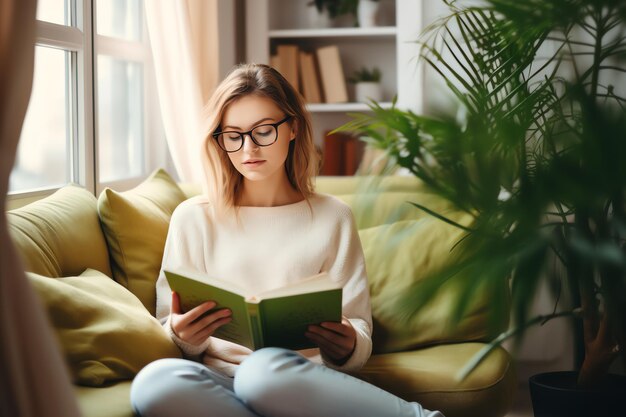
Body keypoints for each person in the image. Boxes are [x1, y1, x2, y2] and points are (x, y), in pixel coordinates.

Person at [130, 63, 444, 417]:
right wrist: (182, 334)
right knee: (154, 381)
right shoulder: (192, 218)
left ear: (293, 127)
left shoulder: (332, 216)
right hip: (216, 386)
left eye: (263, 131)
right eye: (232, 135)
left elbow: (357, 326)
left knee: (261, 373)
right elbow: (168, 327)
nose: (248, 148)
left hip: (293, 383)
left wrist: (347, 344)